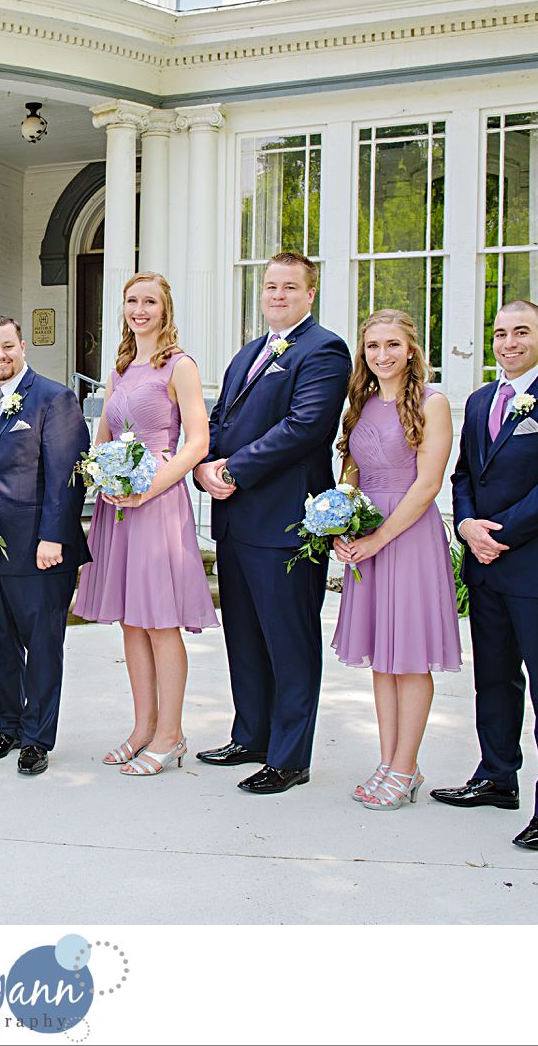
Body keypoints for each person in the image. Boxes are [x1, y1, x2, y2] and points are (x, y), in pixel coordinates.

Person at [432, 300, 538, 851]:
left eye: (520, 332)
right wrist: (466, 526)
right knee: (495, 681)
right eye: (500, 333)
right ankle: (497, 777)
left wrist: (496, 534)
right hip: (485, 570)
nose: (508, 343)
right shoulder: (481, 400)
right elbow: (464, 474)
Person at [193, 251, 351, 793]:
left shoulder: (324, 350)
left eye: (289, 287)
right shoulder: (248, 353)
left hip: (285, 523)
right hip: (236, 520)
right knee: (245, 637)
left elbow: (305, 427)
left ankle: (289, 757)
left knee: (289, 642)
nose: (278, 295)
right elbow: (218, 419)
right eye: (270, 286)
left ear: (310, 294)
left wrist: (232, 469)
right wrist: (203, 467)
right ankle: (252, 735)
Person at [73, 272, 216, 776]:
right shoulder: (118, 371)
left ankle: (171, 735)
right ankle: (143, 727)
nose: (139, 309)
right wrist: (101, 478)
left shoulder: (180, 366)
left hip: (157, 501)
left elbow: (197, 443)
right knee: (132, 621)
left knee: (159, 620)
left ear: (165, 309)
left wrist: (148, 488)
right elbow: (103, 439)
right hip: (118, 505)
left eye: (149, 301)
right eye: (132, 300)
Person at [329, 309, 461, 810]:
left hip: (407, 536)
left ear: (411, 350)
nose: (381, 355)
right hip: (366, 535)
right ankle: (388, 762)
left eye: (391, 345)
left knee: (408, 656)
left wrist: (378, 538)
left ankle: (406, 767)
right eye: (372, 346)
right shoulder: (359, 404)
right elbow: (351, 475)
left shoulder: (433, 403)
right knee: (381, 659)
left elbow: (428, 485)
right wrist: (340, 527)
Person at [0, 316, 90, 777]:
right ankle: (8, 727)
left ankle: (37, 738)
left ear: (22, 347)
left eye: (7, 346)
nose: (0, 356)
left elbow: (67, 474)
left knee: (41, 647)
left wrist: (52, 536)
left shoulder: (54, 398)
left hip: (41, 548)